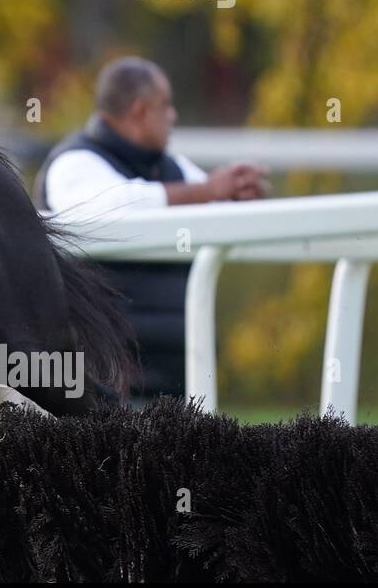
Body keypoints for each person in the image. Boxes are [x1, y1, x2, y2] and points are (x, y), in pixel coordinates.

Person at [33, 57, 270, 401]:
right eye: (166, 106)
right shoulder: (72, 163)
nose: (173, 116)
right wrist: (209, 192)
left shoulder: (172, 166)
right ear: (141, 111)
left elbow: (215, 205)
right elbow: (118, 208)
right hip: (103, 390)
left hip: (183, 383)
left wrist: (237, 194)